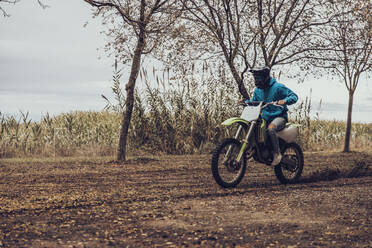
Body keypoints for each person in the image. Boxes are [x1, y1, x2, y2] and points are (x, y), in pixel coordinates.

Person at [242, 66, 298, 166]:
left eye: (258, 78)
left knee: (271, 129)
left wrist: (285, 101)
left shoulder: (278, 87)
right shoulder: (257, 90)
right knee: (252, 126)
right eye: (255, 78)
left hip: (279, 117)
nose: (256, 80)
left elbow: (294, 96)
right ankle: (255, 150)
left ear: (265, 77)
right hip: (265, 118)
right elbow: (254, 102)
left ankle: (277, 154)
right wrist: (245, 102)